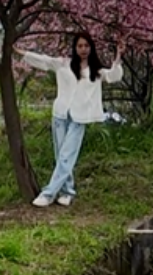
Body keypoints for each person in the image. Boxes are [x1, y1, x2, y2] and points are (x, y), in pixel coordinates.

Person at [18, 34, 124, 209]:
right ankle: (67, 192)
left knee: (67, 156)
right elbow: (44, 61)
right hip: (60, 114)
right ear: (75, 48)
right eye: (80, 46)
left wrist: (118, 57)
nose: (83, 49)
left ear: (91, 48)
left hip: (79, 117)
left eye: (86, 46)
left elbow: (114, 76)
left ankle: (48, 193)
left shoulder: (96, 71)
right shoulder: (63, 64)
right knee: (61, 155)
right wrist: (21, 52)